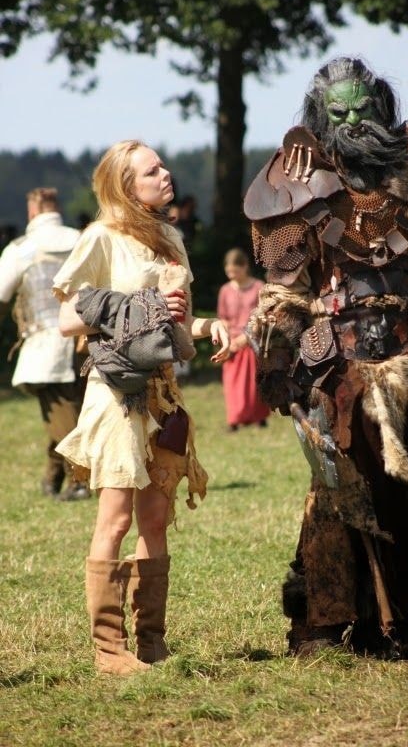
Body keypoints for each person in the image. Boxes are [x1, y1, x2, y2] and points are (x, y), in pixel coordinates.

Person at [243, 56, 408, 658]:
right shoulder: (294, 186)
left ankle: (395, 619)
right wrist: (276, 366)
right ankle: (323, 623)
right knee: (339, 496)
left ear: (382, 106)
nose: (352, 120)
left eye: (362, 107)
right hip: (336, 370)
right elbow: (286, 296)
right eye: (339, 111)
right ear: (320, 116)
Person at [52, 140, 229, 675]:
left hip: (163, 390)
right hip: (116, 391)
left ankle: (151, 642)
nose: (166, 174)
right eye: (153, 171)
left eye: (163, 167)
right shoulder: (102, 237)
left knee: (155, 516)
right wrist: (139, 304)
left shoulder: (170, 237)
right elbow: (67, 320)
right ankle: (109, 650)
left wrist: (208, 325)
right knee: (116, 517)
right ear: (126, 185)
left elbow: (177, 322)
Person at [0, 187, 88, 501]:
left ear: (32, 211)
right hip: (87, 338)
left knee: (60, 414)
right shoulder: (82, 240)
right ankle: (53, 476)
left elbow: (1, 295)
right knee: (70, 412)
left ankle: (79, 480)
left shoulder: (21, 248)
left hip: (45, 342)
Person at [217, 248, 270, 431]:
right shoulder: (225, 290)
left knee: (253, 382)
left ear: (245, 266)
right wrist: (228, 340)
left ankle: (258, 417)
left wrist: (246, 337)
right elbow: (223, 317)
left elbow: (263, 316)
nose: (232, 275)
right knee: (232, 383)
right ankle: (234, 420)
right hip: (231, 343)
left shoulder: (259, 287)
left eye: (235, 271)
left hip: (253, 341)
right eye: (229, 272)